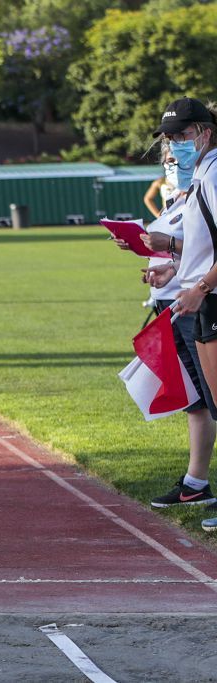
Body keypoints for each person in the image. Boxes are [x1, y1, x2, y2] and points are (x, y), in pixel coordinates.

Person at [115, 138, 216, 510]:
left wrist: (191, 278)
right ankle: (195, 482)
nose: (174, 163)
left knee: (208, 398)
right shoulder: (185, 195)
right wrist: (164, 266)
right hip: (179, 302)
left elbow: (203, 248)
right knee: (196, 399)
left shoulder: (208, 186)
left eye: (177, 154)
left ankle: (197, 482)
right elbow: (191, 250)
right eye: (169, 159)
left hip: (197, 302)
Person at [140, 98, 217, 529]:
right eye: (169, 138)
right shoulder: (203, 174)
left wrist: (199, 287)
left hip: (209, 299)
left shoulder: (215, 174)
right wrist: (176, 268)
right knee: (210, 402)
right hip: (202, 297)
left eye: (181, 136)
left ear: (204, 133)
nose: (173, 146)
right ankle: (196, 483)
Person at [143, 152, 180, 218]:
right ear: (164, 162)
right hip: (168, 217)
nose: (175, 163)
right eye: (171, 160)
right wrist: (157, 215)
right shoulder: (161, 182)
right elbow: (148, 198)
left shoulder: (189, 180)